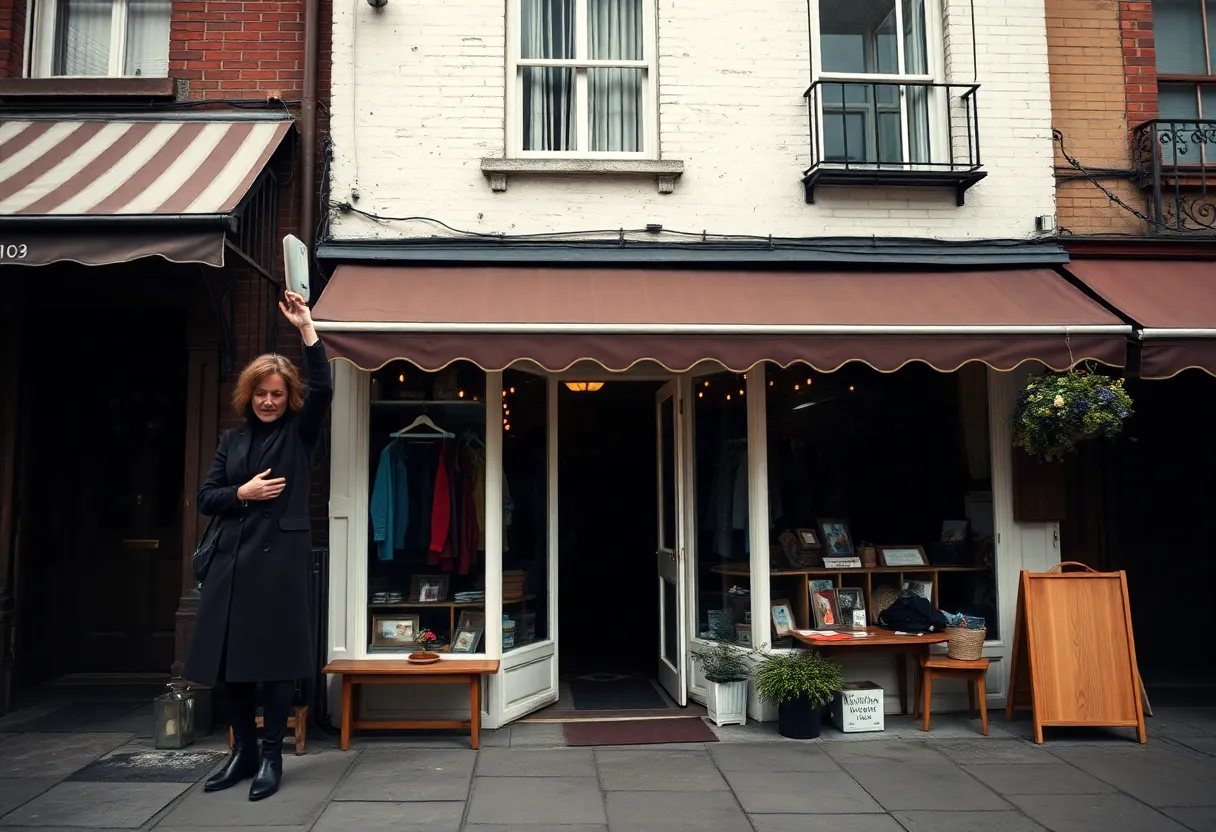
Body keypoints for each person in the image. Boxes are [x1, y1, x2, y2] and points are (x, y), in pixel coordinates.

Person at [183, 290, 331, 801]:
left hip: (280, 568)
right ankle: (242, 752)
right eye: (261, 394)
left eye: (278, 394)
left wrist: (306, 327)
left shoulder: (300, 434)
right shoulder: (232, 442)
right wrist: (242, 494)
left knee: (273, 667)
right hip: (232, 567)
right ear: (249, 396)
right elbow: (206, 498)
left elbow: (326, 389)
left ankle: (272, 758)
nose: (269, 401)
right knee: (235, 667)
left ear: (290, 398)